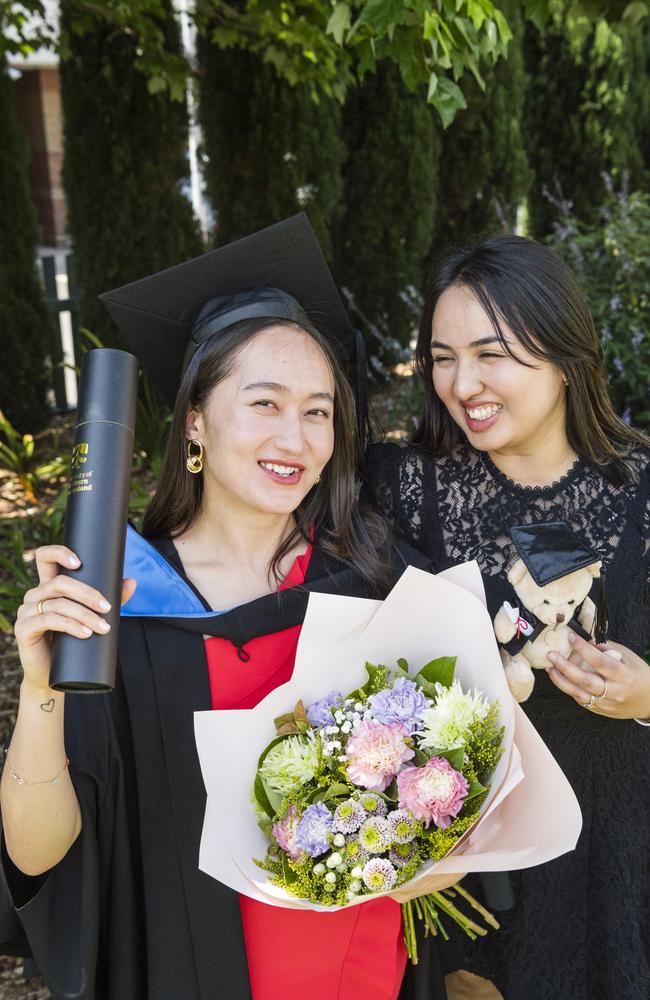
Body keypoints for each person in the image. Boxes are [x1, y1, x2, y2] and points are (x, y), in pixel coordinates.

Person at [0, 215, 450, 1000]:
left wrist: (437, 849)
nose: (297, 435)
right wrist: (41, 690)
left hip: (366, 973)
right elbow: (42, 858)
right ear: (196, 422)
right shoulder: (120, 608)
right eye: (265, 402)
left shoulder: (374, 578)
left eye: (318, 410)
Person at [363, 234, 650, 1000]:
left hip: (623, 861)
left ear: (564, 356)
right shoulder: (405, 493)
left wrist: (647, 698)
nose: (463, 383)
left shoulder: (643, 496)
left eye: (492, 354)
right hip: (481, 885)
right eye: (443, 356)